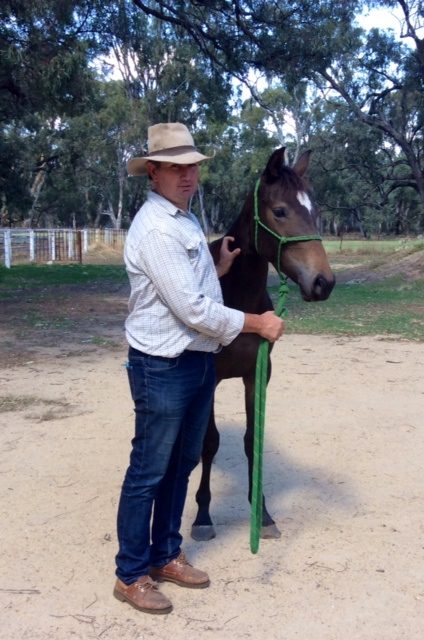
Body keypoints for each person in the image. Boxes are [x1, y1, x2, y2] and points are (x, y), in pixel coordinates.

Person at [114, 122, 285, 615]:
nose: (188, 176)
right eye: (176, 168)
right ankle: (130, 574)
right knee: (148, 471)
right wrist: (257, 322)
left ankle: (166, 554)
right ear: (153, 172)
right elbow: (191, 309)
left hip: (195, 361)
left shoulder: (185, 220)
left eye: (192, 167)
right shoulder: (157, 228)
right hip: (162, 365)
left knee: (182, 464)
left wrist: (219, 270)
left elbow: (192, 286)